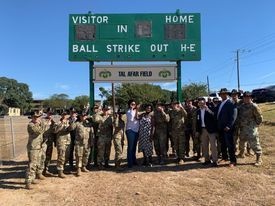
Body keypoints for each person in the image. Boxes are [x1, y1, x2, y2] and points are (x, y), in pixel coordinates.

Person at [237, 91, 263, 166]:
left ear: (251, 97)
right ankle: (241, 153)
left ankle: (259, 158)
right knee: (241, 142)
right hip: (243, 128)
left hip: (251, 129)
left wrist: (255, 126)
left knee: (254, 143)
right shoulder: (242, 106)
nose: (247, 98)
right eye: (245, 97)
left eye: (248, 97)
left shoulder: (254, 106)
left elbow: (259, 117)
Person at [194, 98, 218, 167]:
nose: (201, 105)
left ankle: (214, 161)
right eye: (200, 103)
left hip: (211, 131)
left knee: (213, 146)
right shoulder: (198, 111)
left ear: (205, 103)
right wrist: (198, 131)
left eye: (202, 103)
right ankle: (207, 160)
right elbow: (198, 122)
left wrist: (208, 109)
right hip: (203, 130)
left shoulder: (210, 108)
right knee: (204, 146)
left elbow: (214, 116)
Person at [217, 88, 237, 167]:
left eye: (224, 93)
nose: (223, 95)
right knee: (223, 144)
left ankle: (233, 160)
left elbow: (233, 116)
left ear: (227, 94)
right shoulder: (220, 103)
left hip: (227, 128)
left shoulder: (230, 103)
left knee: (230, 144)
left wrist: (229, 126)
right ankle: (225, 157)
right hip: (221, 127)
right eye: (221, 94)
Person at [25, 110, 44, 189]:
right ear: (32, 117)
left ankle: (32, 178)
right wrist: (42, 124)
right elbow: (38, 131)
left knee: (37, 163)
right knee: (32, 164)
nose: (36, 118)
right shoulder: (31, 125)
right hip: (33, 147)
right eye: (35, 117)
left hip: (38, 146)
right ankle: (28, 182)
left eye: (38, 117)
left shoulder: (38, 124)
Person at [71, 112, 94, 176]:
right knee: (79, 155)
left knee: (86, 155)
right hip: (79, 143)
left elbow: (92, 134)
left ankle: (84, 166)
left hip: (87, 143)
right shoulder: (77, 123)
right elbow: (71, 128)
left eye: (84, 116)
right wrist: (73, 121)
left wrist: (91, 142)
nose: (83, 117)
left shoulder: (89, 124)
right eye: (82, 116)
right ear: (80, 116)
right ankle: (78, 168)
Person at [53, 110, 74, 178]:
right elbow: (55, 130)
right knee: (61, 156)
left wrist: (71, 124)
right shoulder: (58, 122)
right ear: (61, 115)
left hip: (68, 141)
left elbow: (71, 129)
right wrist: (62, 124)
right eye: (63, 114)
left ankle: (63, 168)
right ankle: (60, 171)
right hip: (61, 141)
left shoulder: (69, 121)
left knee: (67, 156)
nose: (64, 116)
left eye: (65, 114)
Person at [42, 108, 56, 176]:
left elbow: (55, 132)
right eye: (49, 113)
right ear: (47, 113)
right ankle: (40, 171)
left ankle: (46, 169)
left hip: (50, 141)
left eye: (51, 114)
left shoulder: (53, 122)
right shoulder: (42, 120)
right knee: (42, 156)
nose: (50, 115)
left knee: (48, 156)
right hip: (43, 141)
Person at [126, 99, 140, 168]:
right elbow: (131, 118)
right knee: (130, 147)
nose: (133, 105)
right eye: (132, 104)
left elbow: (138, 118)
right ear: (129, 105)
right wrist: (132, 109)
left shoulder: (136, 111)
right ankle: (130, 162)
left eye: (134, 104)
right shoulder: (129, 111)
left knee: (134, 147)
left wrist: (136, 110)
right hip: (130, 130)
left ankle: (133, 160)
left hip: (136, 131)